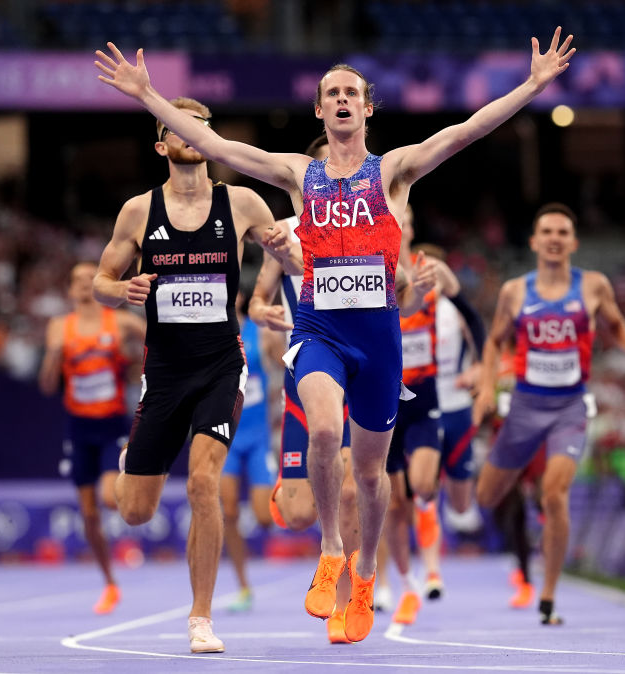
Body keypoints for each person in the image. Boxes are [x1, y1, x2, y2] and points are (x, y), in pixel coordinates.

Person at [94, 28, 576, 642]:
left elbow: (467, 130)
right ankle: (329, 553)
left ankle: (366, 574)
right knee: (324, 429)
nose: (343, 99)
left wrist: (531, 86)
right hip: (320, 329)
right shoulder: (297, 173)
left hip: (378, 337)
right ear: (320, 109)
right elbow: (212, 140)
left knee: (371, 477)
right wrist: (148, 96)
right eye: (332, 93)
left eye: (352, 92)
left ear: (367, 108)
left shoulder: (394, 171)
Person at [90, 96, 285, 653]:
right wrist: (121, 290)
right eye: (177, 126)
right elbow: (103, 279)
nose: (189, 132)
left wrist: (270, 287)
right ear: (162, 145)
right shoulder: (138, 211)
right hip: (165, 374)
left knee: (204, 483)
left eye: (199, 124)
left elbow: (286, 250)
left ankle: (201, 618)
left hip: (223, 365)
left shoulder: (242, 202)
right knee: (135, 511)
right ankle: (131, 464)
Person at [472, 203, 625, 626]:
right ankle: (533, 553)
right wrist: (485, 387)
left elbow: (617, 326)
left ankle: (548, 596)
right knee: (486, 496)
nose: (555, 239)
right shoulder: (515, 291)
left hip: (569, 408)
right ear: (535, 242)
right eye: (547, 232)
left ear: (573, 242)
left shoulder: (593, 286)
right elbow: (494, 341)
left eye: (562, 232)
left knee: (554, 493)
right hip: (523, 407)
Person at [247, 134, 362, 644]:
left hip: (359, 365)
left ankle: (344, 603)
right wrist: (264, 314)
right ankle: (291, 487)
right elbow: (257, 301)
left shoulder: (368, 218)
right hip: (308, 368)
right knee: (296, 516)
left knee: (355, 488)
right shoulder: (287, 230)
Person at [38, 261, 146, 615]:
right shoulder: (59, 328)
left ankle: (139, 497)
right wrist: (54, 354)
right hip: (78, 427)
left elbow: (157, 340)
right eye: (77, 281)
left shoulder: (121, 322)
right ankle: (111, 583)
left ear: (100, 285)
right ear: (69, 290)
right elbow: (47, 386)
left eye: (90, 279)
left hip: (112, 423)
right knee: (88, 513)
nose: (84, 285)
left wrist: (135, 363)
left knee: (109, 499)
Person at [383, 205, 462, 625]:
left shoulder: (427, 268)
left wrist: (480, 363)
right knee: (395, 504)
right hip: (384, 397)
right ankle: (407, 582)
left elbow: (462, 304)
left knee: (422, 485)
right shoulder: (370, 266)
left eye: (407, 220)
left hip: (425, 395)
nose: (401, 226)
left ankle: (428, 514)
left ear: (412, 227)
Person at [418, 243, 486, 602]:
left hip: (458, 406)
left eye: (436, 270)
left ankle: (461, 502)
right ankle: (432, 572)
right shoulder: (405, 305)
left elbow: (482, 345)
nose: (429, 275)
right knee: (426, 490)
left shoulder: (455, 311)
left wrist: (477, 369)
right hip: (425, 405)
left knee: (460, 506)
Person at [220, 288, 276, 614]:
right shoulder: (210, 334)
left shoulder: (261, 332)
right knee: (227, 511)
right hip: (227, 437)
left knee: (264, 517)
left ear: (240, 296)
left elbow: (286, 362)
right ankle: (243, 587)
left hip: (258, 438)